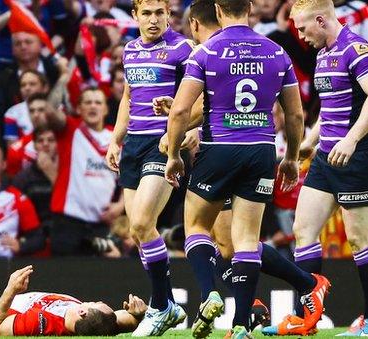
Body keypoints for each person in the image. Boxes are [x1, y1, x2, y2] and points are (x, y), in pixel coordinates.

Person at [163, 0, 330, 337]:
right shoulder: (276, 52)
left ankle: (210, 292)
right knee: (244, 241)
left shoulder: (206, 53)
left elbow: (181, 112)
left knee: (195, 226)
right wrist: (292, 158)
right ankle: (241, 325)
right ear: (250, 9)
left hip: (219, 150)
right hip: (261, 150)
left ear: (219, 12)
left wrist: (173, 155)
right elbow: (296, 115)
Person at [275, 0, 368, 336]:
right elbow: (331, 108)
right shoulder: (323, 54)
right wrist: (310, 142)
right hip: (326, 158)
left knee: (359, 241)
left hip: (356, 157)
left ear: (320, 19)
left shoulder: (355, 49)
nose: (300, 36)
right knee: (303, 230)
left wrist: (352, 139)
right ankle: (309, 318)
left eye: (302, 28)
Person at [103, 0, 193, 334]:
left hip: (163, 144)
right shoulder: (130, 50)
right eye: (147, 13)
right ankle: (167, 304)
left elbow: (202, 97)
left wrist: (186, 128)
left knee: (141, 222)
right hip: (134, 147)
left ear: (169, 15)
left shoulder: (184, 49)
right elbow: (128, 97)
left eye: (160, 13)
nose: (154, 20)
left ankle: (160, 305)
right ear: (135, 16)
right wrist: (115, 139)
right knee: (139, 232)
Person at [0, 265, 148, 336]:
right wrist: (138, 315)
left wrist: (10, 290)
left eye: (95, 304)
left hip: (8, 315)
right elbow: (120, 321)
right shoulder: (98, 323)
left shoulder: (43, 321)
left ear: (83, 313)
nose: (94, 300)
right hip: (23, 305)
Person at [47, 88, 124, 256]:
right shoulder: (69, 129)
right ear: (79, 109)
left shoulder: (117, 138)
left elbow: (132, 175)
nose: (93, 106)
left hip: (101, 223)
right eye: (87, 102)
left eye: (98, 102)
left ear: (105, 109)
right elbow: (50, 111)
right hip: (68, 222)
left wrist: (120, 205)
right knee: (64, 279)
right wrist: (63, 77)